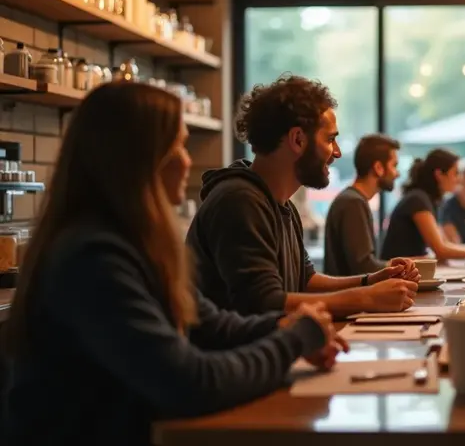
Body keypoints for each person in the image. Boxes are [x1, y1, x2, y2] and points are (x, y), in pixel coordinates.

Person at [1, 83, 345, 446]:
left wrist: (286, 325)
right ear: (133, 158)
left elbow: (209, 324)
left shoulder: (131, 243)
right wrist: (294, 338)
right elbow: (190, 382)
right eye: (176, 146)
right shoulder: (93, 257)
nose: (187, 160)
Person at [187, 75, 417, 317]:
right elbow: (263, 303)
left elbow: (306, 280)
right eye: (330, 139)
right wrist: (366, 298)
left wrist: (371, 281)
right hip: (233, 353)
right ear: (298, 139)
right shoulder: (239, 201)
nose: (337, 152)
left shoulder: (279, 202)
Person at [324, 133, 402, 276]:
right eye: (394, 165)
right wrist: (400, 266)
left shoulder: (353, 200)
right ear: (378, 167)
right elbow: (364, 266)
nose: (397, 174)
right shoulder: (353, 203)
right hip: (351, 296)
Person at [382, 148, 465, 260]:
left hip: (409, 270)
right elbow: (441, 250)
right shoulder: (418, 200)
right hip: (396, 273)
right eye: (455, 173)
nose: (459, 179)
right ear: (439, 174)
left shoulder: (430, 200)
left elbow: (445, 244)